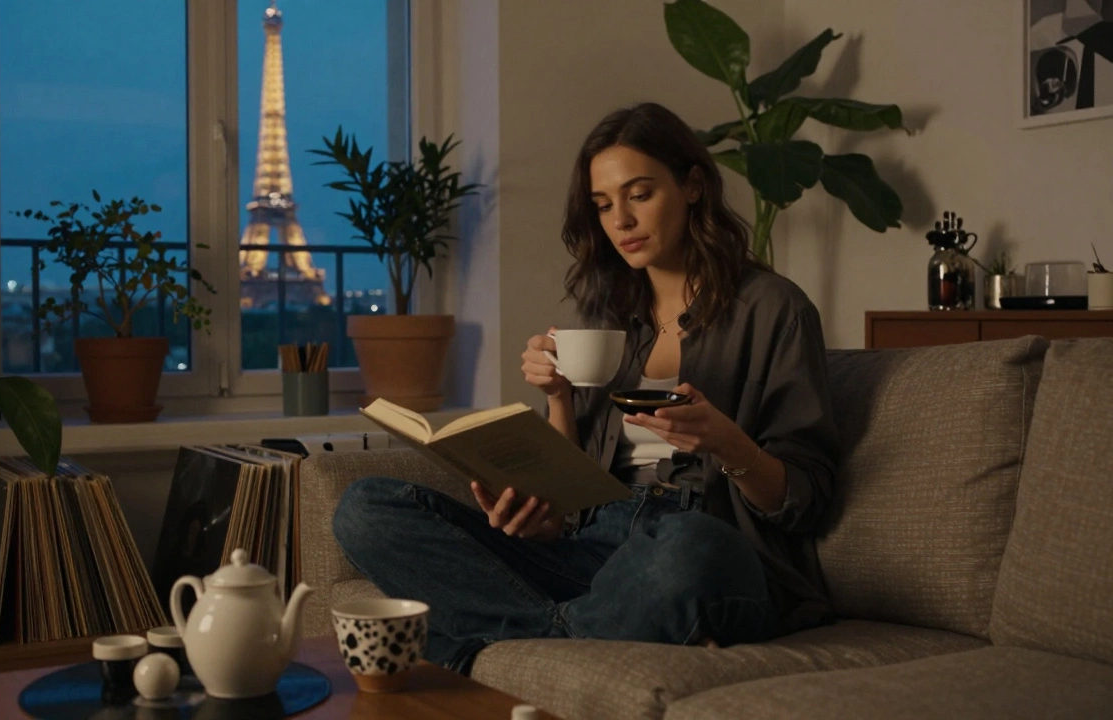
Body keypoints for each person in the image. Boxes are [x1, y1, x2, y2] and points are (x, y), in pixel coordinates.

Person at [332, 101, 839, 674]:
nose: (620, 220)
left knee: (692, 546)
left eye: (639, 194)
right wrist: (557, 402)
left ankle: (480, 650)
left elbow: (807, 500)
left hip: (705, 544)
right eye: (603, 205)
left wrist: (729, 443)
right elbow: (574, 505)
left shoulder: (775, 309)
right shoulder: (607, 312)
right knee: (366, 509)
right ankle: (578, 634)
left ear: (693, 185)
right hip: (599, 550)